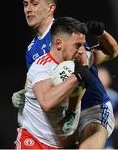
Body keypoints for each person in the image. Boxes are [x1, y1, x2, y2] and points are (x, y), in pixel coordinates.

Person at [12, 0, 118, 149]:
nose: (28, 9)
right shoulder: (31, 49)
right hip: (62, 120)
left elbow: (104, 55)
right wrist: (25, 92)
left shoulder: (67, 31)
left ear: (50, 8)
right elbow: (38, 79)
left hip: (91, 109)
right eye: (25, 4)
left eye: (35, 3)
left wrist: (101, 33)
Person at [15, 16, 90, 149]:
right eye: (77, 45)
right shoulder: (42, 68)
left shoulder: (79, 60)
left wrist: (101, 33)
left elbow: (112, 52)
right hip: (35, 142)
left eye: (83, 45)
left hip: (64, 144)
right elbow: (47, 103)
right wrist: (75, 77)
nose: (82, 50)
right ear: (59, 43)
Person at [98, 66, 118, 149]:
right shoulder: (88, 95)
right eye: (100, 76)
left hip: (108, 143)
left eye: (105, 76)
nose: (103, 79)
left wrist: (110, 125)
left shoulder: (115, 96)